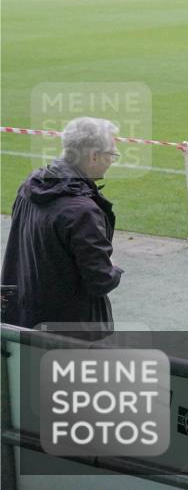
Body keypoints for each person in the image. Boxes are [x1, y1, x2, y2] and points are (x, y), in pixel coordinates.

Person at [1, 117, 124, 338]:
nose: (112, 161)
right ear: (93, 156)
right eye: (111, 155)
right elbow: (100, 280)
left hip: (25, 316)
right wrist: (114, 268)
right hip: (71, 330)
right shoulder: (82, 210)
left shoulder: (30, 185)